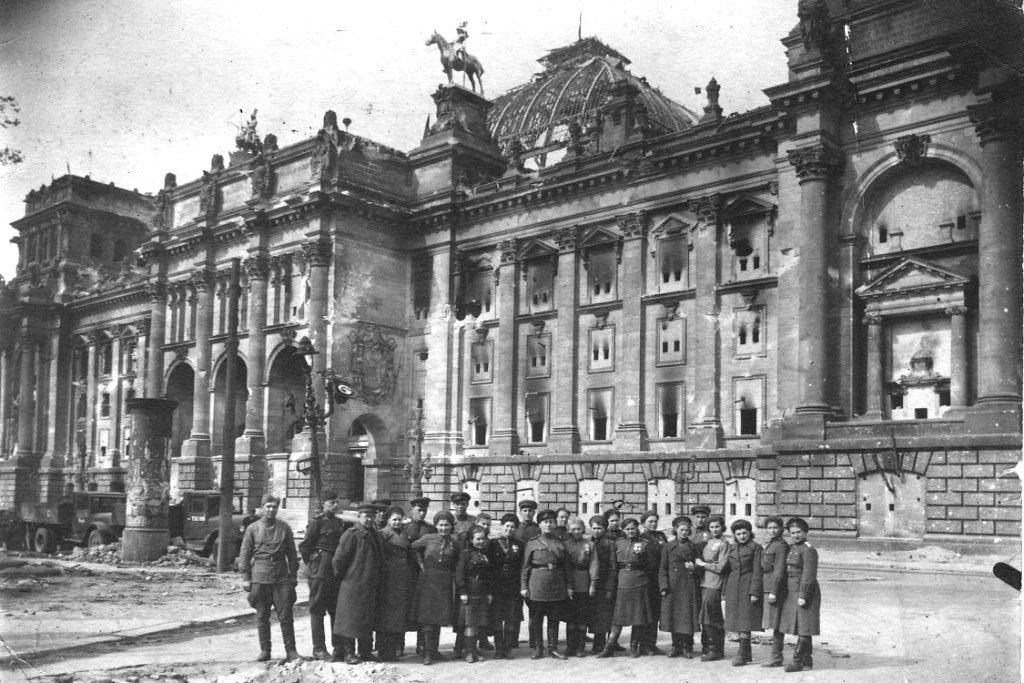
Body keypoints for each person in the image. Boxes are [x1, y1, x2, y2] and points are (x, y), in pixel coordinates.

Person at [239, 494, 299, 662]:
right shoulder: (253, 528)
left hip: (281, 577)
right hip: (260, 576)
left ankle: (291, 650)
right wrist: (245, 577)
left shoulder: (284, 528)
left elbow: (292, 555)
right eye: (268, 506)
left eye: (274, 507)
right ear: (262, 508)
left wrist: (293, 576)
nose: (271, 509)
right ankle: (265, 650)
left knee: (286, 615)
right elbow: (244, 555)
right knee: (262, 616)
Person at [332, 502, 385, 665]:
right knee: (350, 620)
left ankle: (365, 651)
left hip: (369, 584)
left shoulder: (375, 534)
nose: (369, 520)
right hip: (352, 584)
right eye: (366, 516)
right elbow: (338, 560)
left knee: (366, 619)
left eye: (372, 516)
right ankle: (349, 652)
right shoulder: (351, 534)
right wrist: (346, 579)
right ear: (359, 517)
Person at [598, 517, 658, 658]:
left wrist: (642, 576)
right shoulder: (617, 543)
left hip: (639, 582)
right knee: (618, 618)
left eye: (633, 528)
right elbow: (613, 565)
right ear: (623, 530)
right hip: (622, 582)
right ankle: (609, 646)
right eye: (627, 529)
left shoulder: (644, 543)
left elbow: (651, 565)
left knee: (638, 617)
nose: (630, 531)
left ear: (637, 529)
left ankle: (633, 647)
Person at [298, 489, 346, 661]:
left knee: (335, 610)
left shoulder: (339, 522)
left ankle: (338, 648)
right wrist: (313, 562)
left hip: (334, 571)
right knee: (317, 610)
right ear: (323, 503)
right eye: (332, 502)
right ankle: (319, 649)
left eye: (337, 502)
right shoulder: (316, 522)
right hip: (320, 572)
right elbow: (304, 547)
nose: (335, 505)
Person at [521, 508, 572, 660]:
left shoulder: (560, 543)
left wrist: (569, 585)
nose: (548, 525)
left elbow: (566, 567)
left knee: (554, 618)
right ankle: (538, 648)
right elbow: (525, 566)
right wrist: (524, 586)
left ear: (555, 524)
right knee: (537, 618)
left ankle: (553, 648)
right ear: (540, 524)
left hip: (556, 584)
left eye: (551, 522)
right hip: (537, 584)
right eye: (545, 522)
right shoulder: (532, 543)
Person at [412, 510, 462, 665]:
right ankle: (426, 652)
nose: (443, 528)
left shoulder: (455, 543)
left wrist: (453, 573)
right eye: (440, 525)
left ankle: (434, 650)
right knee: (427, 616)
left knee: (439, 616)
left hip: (445, 582)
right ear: (436, 525)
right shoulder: (428, 538)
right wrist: (420, 563)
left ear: (451, 526)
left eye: (446, 525)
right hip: (428, 580)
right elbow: (413, 547)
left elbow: (460, 561)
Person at [378, 506, 419, 662]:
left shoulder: (405, 536)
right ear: (388, 520)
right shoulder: (382, 535)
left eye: (399, 519)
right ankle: (384, 651)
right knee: (386, 617)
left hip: (402, 580)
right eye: (394, 519)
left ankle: (396, 648)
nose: (397, 522)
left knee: (398, 616)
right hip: (388, 580)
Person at [779, 517, 820, 672]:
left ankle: (797, 661)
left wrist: (803, 595)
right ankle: (807, 661)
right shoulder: (792, 547)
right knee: (802, 626)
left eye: (799, 532)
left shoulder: (808, 550)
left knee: (804, 627)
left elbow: (809, 575)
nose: (795, 535)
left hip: (806, 592)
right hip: (792, 591)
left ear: (805, 532)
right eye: (792, 533)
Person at [658, 515, 701, 658]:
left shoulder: (693, 546)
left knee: (687, 617)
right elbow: (663, 568)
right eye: (682, 530)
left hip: (688, 586)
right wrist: (663, 587)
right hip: (673, 586)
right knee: (674, 617)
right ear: (676, 530)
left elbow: (700, 565)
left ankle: (687, 647)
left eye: (687, 530)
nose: (684, 532)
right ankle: (675, 646)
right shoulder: (668, 547)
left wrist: (694, 567)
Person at [724, 519, 763, 666]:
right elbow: (727, 570)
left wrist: (755, 591)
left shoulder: (756, 548)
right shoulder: (732, 548)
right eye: (738, 534)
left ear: (749, 533)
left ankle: (742, 654)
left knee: (745, 620)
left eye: (744, 533)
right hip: (734, 587)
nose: (742, 536)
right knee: (736, 620)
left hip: (748, 586)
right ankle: (747, 653)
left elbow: (758, 571)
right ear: (734, 535)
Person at [486, 513, 525, 659]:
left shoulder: (520, 545)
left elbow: (522, 566)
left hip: (513, 587)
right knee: (497, 619)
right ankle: (498, 649)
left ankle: (508, 649)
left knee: (511, 618)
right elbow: (488, 567)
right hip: (497, 586)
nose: (509, 529)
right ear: (502, 526)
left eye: (513, 527)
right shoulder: (493, 543)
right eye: (507, 526)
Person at [401, 497, 435, 656]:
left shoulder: (430, 529)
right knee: (403, 609)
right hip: (407, 573)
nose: (422, 513)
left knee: (423, 610)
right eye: (419, 510)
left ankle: (422, 645)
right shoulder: (404, 528)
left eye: (424, 510)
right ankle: (399, 645)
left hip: (424, 574)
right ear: (412, 510)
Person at [694, 514, 729, 662]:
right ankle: (709, 647)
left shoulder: (724, 544)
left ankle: (715, 649)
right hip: (705, 582)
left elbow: (721, 567)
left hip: (714, 583)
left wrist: (703, 564)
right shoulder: (709, 542)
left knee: (711, 617)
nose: (714, 529)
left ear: (722, 527)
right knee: (708, 616)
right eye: (712, 527)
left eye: (717, 526)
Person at [456, 525, 493, 663]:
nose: (481, 542)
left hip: (481, 593)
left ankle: (474, 650)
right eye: (478, 539)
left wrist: (489, 593)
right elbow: (460, 574)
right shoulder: (466, 554)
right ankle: (469, 653)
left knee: (478, 624)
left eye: (483, 539)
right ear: (471, 540)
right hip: (470, 593)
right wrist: (463, 592)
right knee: (470, 624)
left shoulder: (484, 555)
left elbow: (488, 576)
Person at [563, 517, 599, 656]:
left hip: (584, 582)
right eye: (573, 529)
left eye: (579, 529)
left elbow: (594, 565)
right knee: (571, 617)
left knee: (582, 616)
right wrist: (568, 585)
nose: (576, 531)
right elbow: (565, 566)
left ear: (583, 529)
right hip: (570, 581)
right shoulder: (565, 545)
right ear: (569, 530)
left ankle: (580, 647)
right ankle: (570, 647)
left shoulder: (589, 544)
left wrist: (593, 584)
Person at [760, 515, 789, 667]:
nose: (772, 530)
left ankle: (776, 657)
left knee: (776, 623)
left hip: (773, 588)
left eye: (775, 527)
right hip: (766, 586)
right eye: (770, 528)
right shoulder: (770, 544)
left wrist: (774, 591)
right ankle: (775, 656)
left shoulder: (781, 546)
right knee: (772, 622)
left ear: (781, 529)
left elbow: (779, 570)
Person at [639, 510, 668, 655]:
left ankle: (652, 643)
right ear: (643, 523)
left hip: (659, 579)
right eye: (650, 521)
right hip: (646, 579)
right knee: (645, 612)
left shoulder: (661, 536)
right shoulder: (640, 538)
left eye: (655, 521)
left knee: (655, 613)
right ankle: (643, 644)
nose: (653, 524)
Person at [587, 514, 615, 654]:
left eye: (600, 528)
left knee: (603, 615)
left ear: (605, 529)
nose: (597, 531)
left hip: (603, 584)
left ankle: (601, 643)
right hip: (589, 582)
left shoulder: (609, 544)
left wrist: (610, 587)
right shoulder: (587, 542)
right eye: (594, 528)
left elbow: (612, 567)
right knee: (591, 614)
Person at [689, 504, 712, 654]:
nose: (700, 520)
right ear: (693, 517)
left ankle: (706, 644)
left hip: (704, 576)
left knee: (705, 612)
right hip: (689, 576)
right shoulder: (687, 531)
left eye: (703, 517)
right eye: (697, 517)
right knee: (688, 610)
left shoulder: (710, 533)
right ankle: (687, 644)